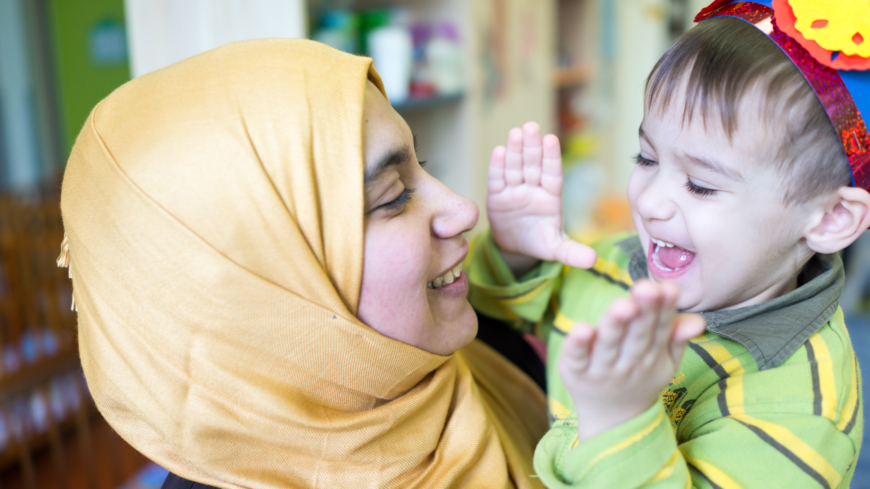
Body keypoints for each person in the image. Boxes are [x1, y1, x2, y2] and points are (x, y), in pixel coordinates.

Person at [57, 39, 550, 488]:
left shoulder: (470, 353)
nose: (465, 209)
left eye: (424, 166)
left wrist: (513, 260)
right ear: (260, 290)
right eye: (394, 196)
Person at [467, 1, 869, 487]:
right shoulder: (619, 260)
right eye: (647, 157)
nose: (651, 201)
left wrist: (621, 421)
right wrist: (518, 254)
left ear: (831, 218)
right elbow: (497, 319)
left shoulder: (804, 408)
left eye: (700, 185)